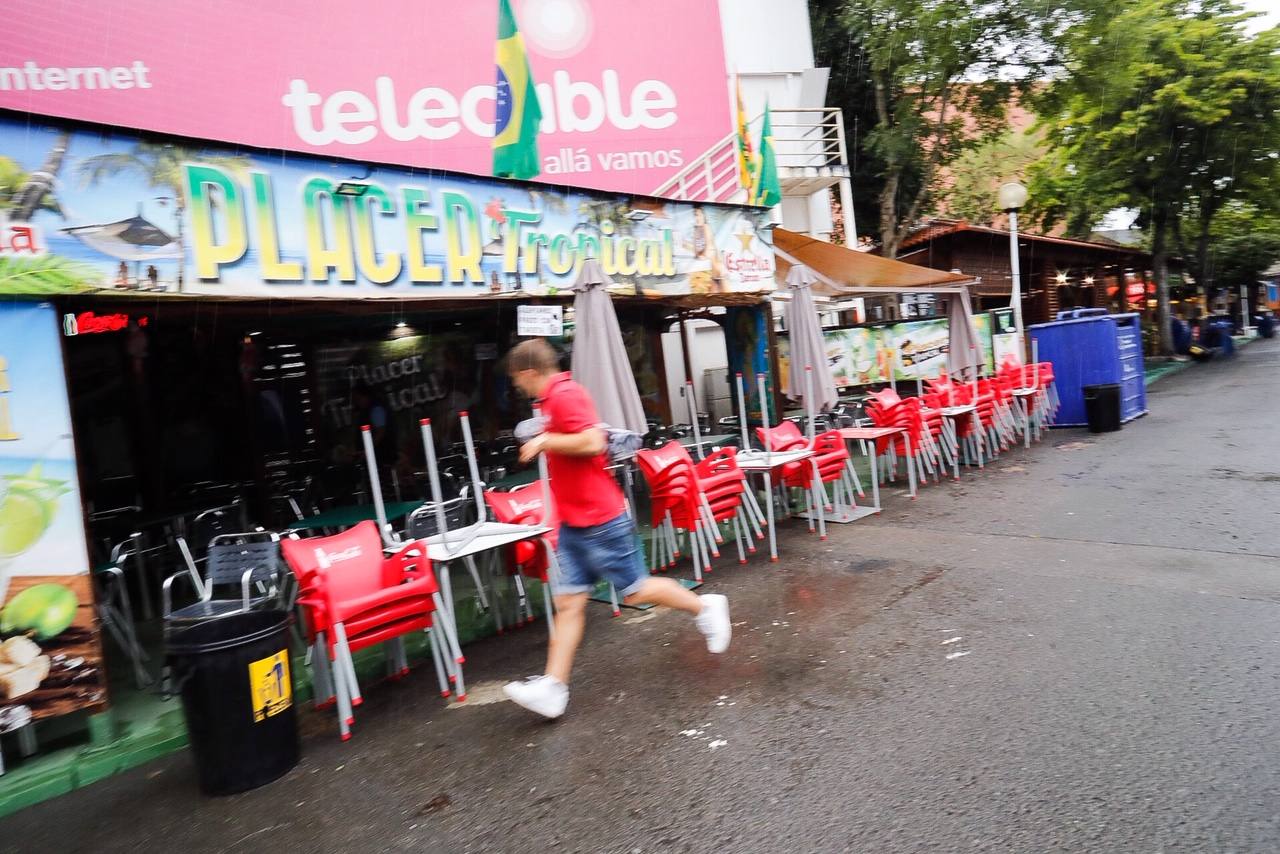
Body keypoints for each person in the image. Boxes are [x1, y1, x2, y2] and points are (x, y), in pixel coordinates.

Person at [502, 338, 731, 719]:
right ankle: (553, 688)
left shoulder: (565, 394)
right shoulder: (551, 400)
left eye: (517, 381)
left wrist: (545, 439)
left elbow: (593, 442)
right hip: (574, 521)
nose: (518, 388)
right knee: (569, 603)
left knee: (636, 590)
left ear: (528, 373)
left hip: (600, 517)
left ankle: (705, 605)